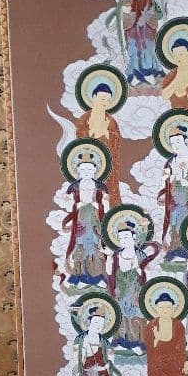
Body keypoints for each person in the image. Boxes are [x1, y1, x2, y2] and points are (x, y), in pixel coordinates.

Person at [105, 221, 157, 350]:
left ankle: (139, 342)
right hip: (120, 292)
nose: (124, 240)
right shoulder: (116, 255)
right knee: (120, 315)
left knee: (137, 316)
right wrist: (109, 258)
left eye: (126, 236)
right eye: (121, 238)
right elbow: (109, 273)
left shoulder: (140, 255)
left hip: (136, 292)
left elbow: (146, 275)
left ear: (133, 237)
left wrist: (138, 269)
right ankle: (121, 341)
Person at [158, 124, 188, 261]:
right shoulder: (170, 162)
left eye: (178, 141)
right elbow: (164, 181)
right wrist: (172, 177)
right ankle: (175, 250)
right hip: (175, 199)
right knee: (174, 225)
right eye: (173, 143)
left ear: (186, 141)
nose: (176, 145)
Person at [62, 158, 109, 286]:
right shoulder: (74, 187)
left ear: (95, 170)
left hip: (95, 218)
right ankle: (80, 276)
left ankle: (98, 276)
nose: (86, 172)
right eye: (83, 169)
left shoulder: (100, 186)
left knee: (96, 244)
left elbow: (107, 200)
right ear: (78, 170)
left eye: (89, 169)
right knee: (80, 245)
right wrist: (76, 205)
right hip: (80, 218)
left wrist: (99, 205)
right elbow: (67, 201)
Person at [75, 82, 122, 205]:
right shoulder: (85, 118)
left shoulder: (110, 120)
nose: (105, 102)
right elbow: (79, 138)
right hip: (91, 161)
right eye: (102, 99)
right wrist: (93, 132)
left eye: (108, 100)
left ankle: (112, 210)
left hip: (109, 161)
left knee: (110, 188)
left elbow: (117, 140)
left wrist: (106, 133)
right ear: (94, 97)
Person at [160, 38, 188, 113]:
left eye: (181, 54)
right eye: (175, 55)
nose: (178, 58)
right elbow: (164, 96)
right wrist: (176, 80)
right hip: (176, 115)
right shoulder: (172, 75)